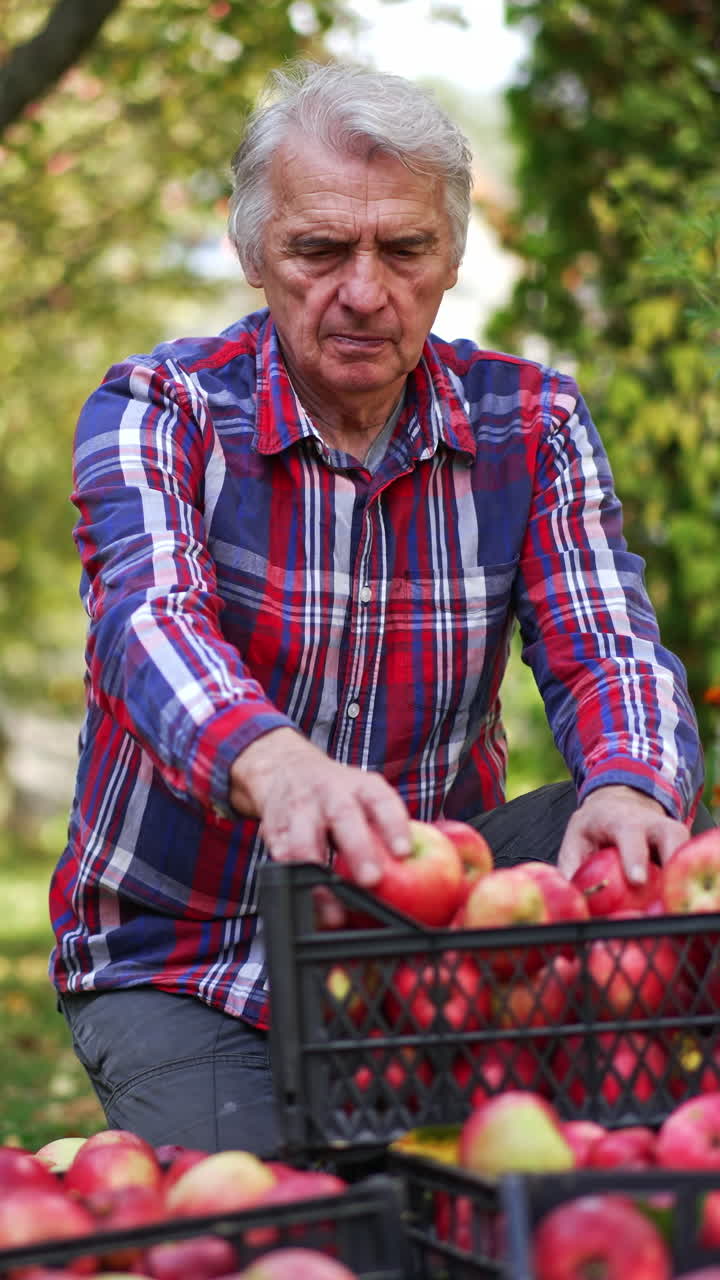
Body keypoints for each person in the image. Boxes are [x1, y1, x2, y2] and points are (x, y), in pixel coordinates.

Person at [49, 58, 709, 1157]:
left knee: (620, 843)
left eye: (404, 250)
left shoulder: (531, 422)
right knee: (298, 1226)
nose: (364, 291)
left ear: (449, 256)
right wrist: (277, 762)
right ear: (255, 251)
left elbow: (607, 642)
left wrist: (638, 782)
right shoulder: (161, 407)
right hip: (190, 951)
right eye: (320, 251)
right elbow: (146, 619)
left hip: (428, 923)